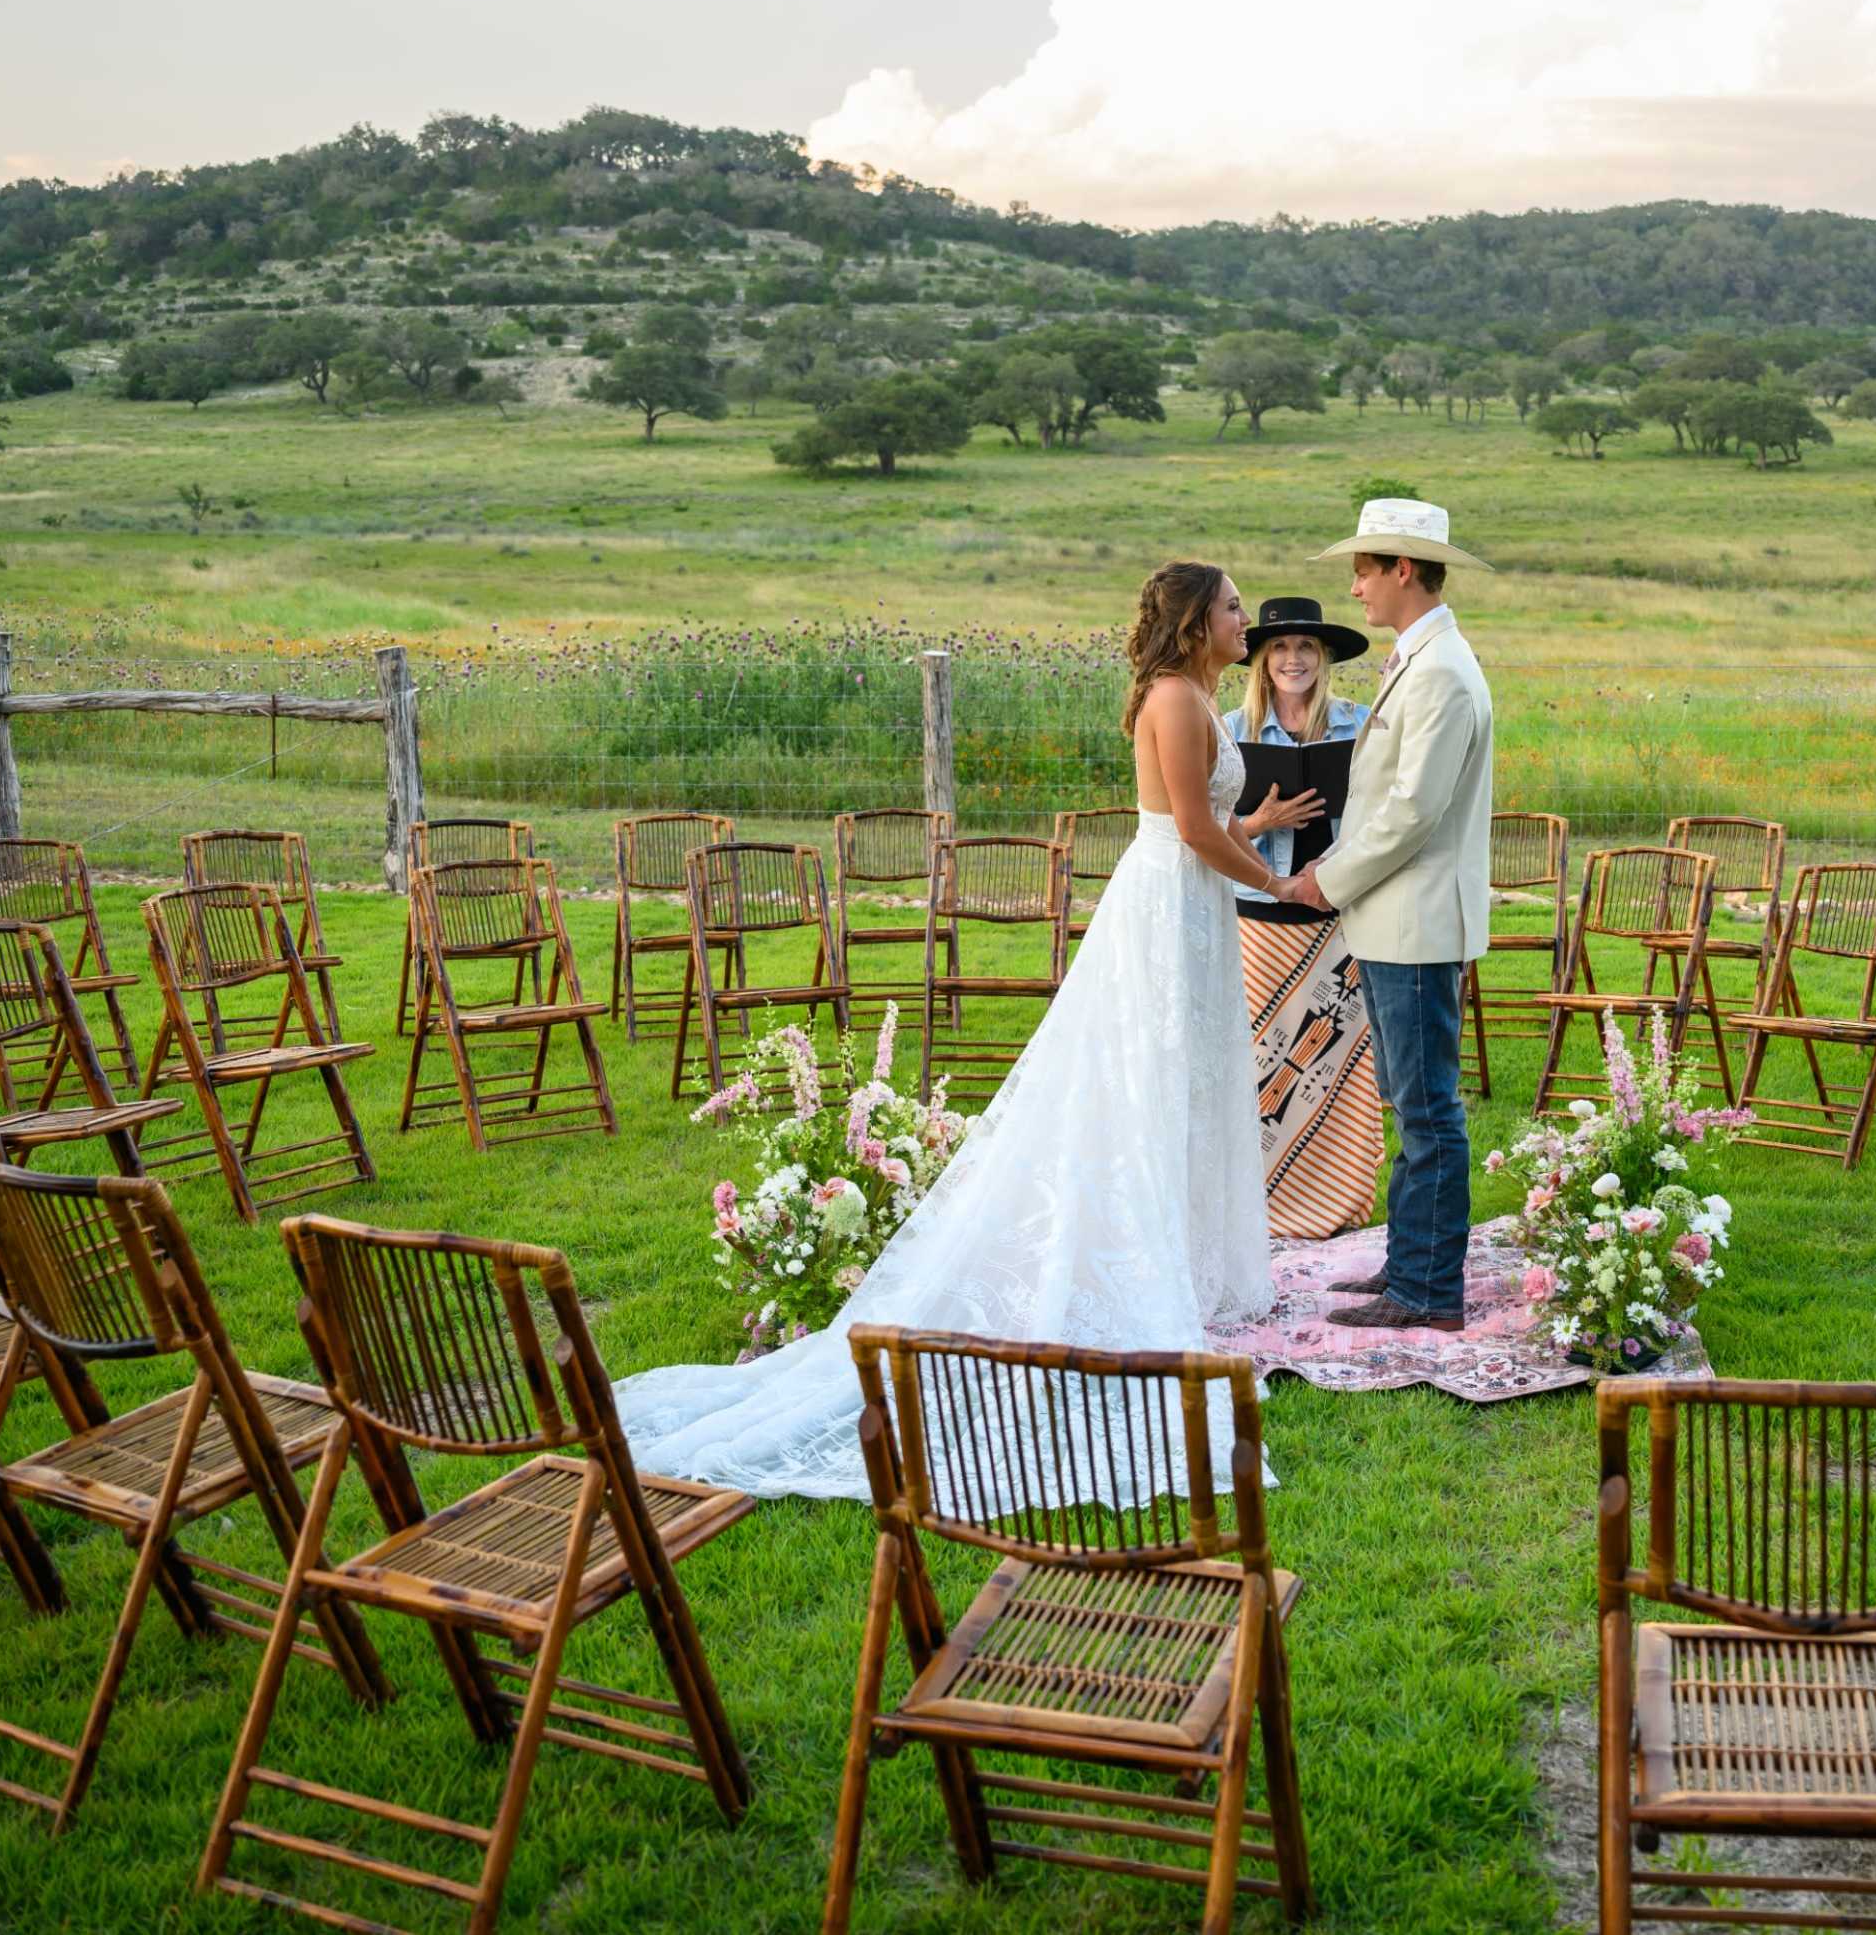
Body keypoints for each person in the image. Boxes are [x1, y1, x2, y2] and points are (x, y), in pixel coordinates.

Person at [615, 561, 1320, 1501]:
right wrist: (1274, 878)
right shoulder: (1180, 700)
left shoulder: (1186, 691)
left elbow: (1202, 813)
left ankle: (1182, 1257)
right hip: (1171, 903)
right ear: (1199, 621)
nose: (1248, 619)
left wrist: (1256, 818)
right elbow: (1189, 828)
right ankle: (1136, 1260)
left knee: (1181, 1076)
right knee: (1149, 1081)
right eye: (1236, 606)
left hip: (1183, 904)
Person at [1282, 500, 1496, 1332]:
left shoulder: (1441, 670)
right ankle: (1410, 1267)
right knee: (1413, 1103)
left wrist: (1324, 880)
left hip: (1412, 919)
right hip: (1396, 916)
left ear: (1403, 568)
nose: (1355, 585)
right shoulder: (1424, 658)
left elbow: (1412, 812)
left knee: (1428, 1108)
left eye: (1365, 568)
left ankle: (1428, 1290)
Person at [1226, 596, 1386, 1241]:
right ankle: (1256, 1199)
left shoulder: (1361, 725)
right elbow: (1204, 827)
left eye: (1307, 649)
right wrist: (1262, 824)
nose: (1294, 659)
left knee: (1338, 1059)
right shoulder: (1231, 729)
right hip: (1260, 915)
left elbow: (1385, 817)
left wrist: (1332, 871)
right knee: (1261, 1059)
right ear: (1262, 661)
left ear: (1323, 660)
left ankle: (1337, 1195)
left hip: (1337, 913)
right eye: (1281, 649)